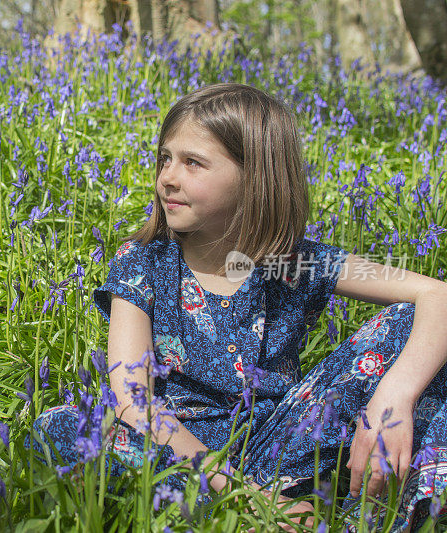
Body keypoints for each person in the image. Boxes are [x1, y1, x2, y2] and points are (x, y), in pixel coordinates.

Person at [23, 83, 447, 530]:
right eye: (165, 158)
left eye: (192, 163)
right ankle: (255, 515)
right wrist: (241, 492)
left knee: (416, 329)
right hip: (181, 453)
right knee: (63, 427)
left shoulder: (297, 262)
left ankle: (386, 517)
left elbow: (438, 294)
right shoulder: (143, 262)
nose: (168, 176)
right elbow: (134, 403)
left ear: (255, 177)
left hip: (284, 445)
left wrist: (396, 396)